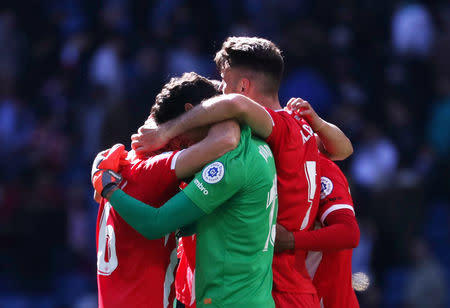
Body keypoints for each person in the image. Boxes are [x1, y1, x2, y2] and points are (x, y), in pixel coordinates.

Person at [131, 36, 353, 308]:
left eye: (224, 82)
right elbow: (342, 149)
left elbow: (234, 105)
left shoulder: (278, 130)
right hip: (290, 284)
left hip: (273, 286)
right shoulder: (300, 131)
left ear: (243, 87)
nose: (220, 91)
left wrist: (165, 131)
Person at [92, 85, 279, 307]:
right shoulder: (157, 168)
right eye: (210, 120)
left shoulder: (118, 163)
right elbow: (226, 138)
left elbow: (186, 221)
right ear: (190, 112)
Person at [275, 152, 360, 308]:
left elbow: (349, 232)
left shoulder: (321, 169)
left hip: (327, 300)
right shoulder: (263, 162)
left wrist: (289, 240)